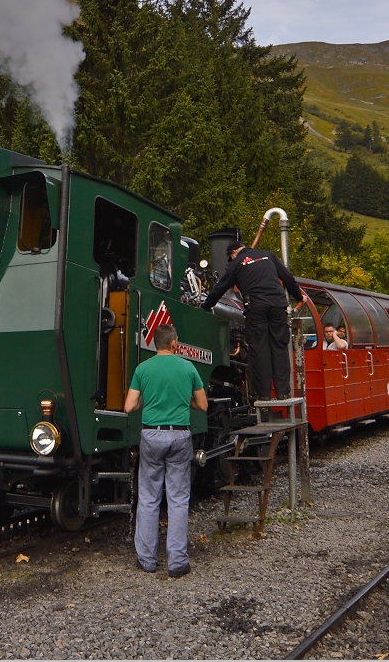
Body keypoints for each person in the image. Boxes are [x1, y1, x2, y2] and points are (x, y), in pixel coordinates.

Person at [124, 324, 208, 578]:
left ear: (156, 344)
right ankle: (177, 562)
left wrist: (146, 400)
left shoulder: (143, 369)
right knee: (178, 499)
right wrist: (185, 400)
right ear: (174, 344)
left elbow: (129, 406)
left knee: (149, 498)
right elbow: (202, 405)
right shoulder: (188, 367)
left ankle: (147, 560)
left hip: (151, 434)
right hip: (179, 435)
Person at [201, 241, 308, 399]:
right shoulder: (268, 255)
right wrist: (299, 296)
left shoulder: (235, 263)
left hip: (256, 307)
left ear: (233, 253)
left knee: (260, 349)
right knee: (279, 347)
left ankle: (264, 394)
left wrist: (204, 306)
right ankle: (283, 392)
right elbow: (288, 278)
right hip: (278, 305)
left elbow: (219, 288)